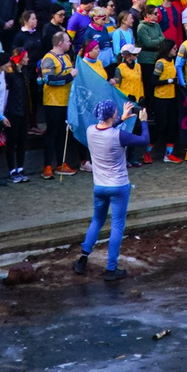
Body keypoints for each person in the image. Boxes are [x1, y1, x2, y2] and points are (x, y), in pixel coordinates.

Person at [75, 100, 148, 282]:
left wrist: (121, 119)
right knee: (117, 225)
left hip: (99, 186)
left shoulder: (90, 130)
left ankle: (83, 259)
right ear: (111, 115)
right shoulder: (119, 136)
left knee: (97, 220)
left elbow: (105, 129)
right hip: (119, 186)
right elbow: (144, 140)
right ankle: (111, 268)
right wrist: (144, 121)